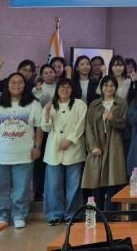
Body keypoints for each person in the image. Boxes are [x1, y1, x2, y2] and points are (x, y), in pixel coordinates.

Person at [0, 73, 43, 228]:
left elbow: (39, 126)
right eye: (12, 82)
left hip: (24, 155)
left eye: (20, 82)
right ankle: (2, 215)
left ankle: (19, 215)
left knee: (22, 189)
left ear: (25, 85)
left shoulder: (33, 104)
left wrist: (37, 146)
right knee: (0, 188)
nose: (16, 85)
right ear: (7, 85)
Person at [41, 78, 87, 225]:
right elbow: (45, 128)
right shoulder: (50, 105)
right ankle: (54, 214)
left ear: (72, 89)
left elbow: (81, 125)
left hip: (74, 148)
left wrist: (70, 140)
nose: (65, 90)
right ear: (57, 89)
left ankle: (72, 214)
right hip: (54, 150)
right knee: (53, 185)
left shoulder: (79, 104)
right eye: (62, 87)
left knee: (74, 184)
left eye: (68, 87)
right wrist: (47, 113)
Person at [82, 75, 128, 210]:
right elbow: (88, 126)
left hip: (114, 144)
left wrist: (112, 118)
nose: (109, 88)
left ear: (116, 87)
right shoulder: (94, 104)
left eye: (112, 85)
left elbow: (124, 125)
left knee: (113, 181)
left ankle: (111, 215)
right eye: (106, 85)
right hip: (98, 144)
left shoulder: (122, 103)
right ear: (101, 87)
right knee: (96, 181)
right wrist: (93, 146)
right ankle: (97, 214)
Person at [32, 63, 57, 202]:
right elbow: (44, 105)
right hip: (41, 127)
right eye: (45, 72)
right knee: (39, 161)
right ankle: (38, 191)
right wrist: (40, 93)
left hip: (56, 127)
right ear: (41, 75)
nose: (48, 74)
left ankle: (52, 190)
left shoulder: (60, 86)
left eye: (51, 72)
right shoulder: (35, 89)